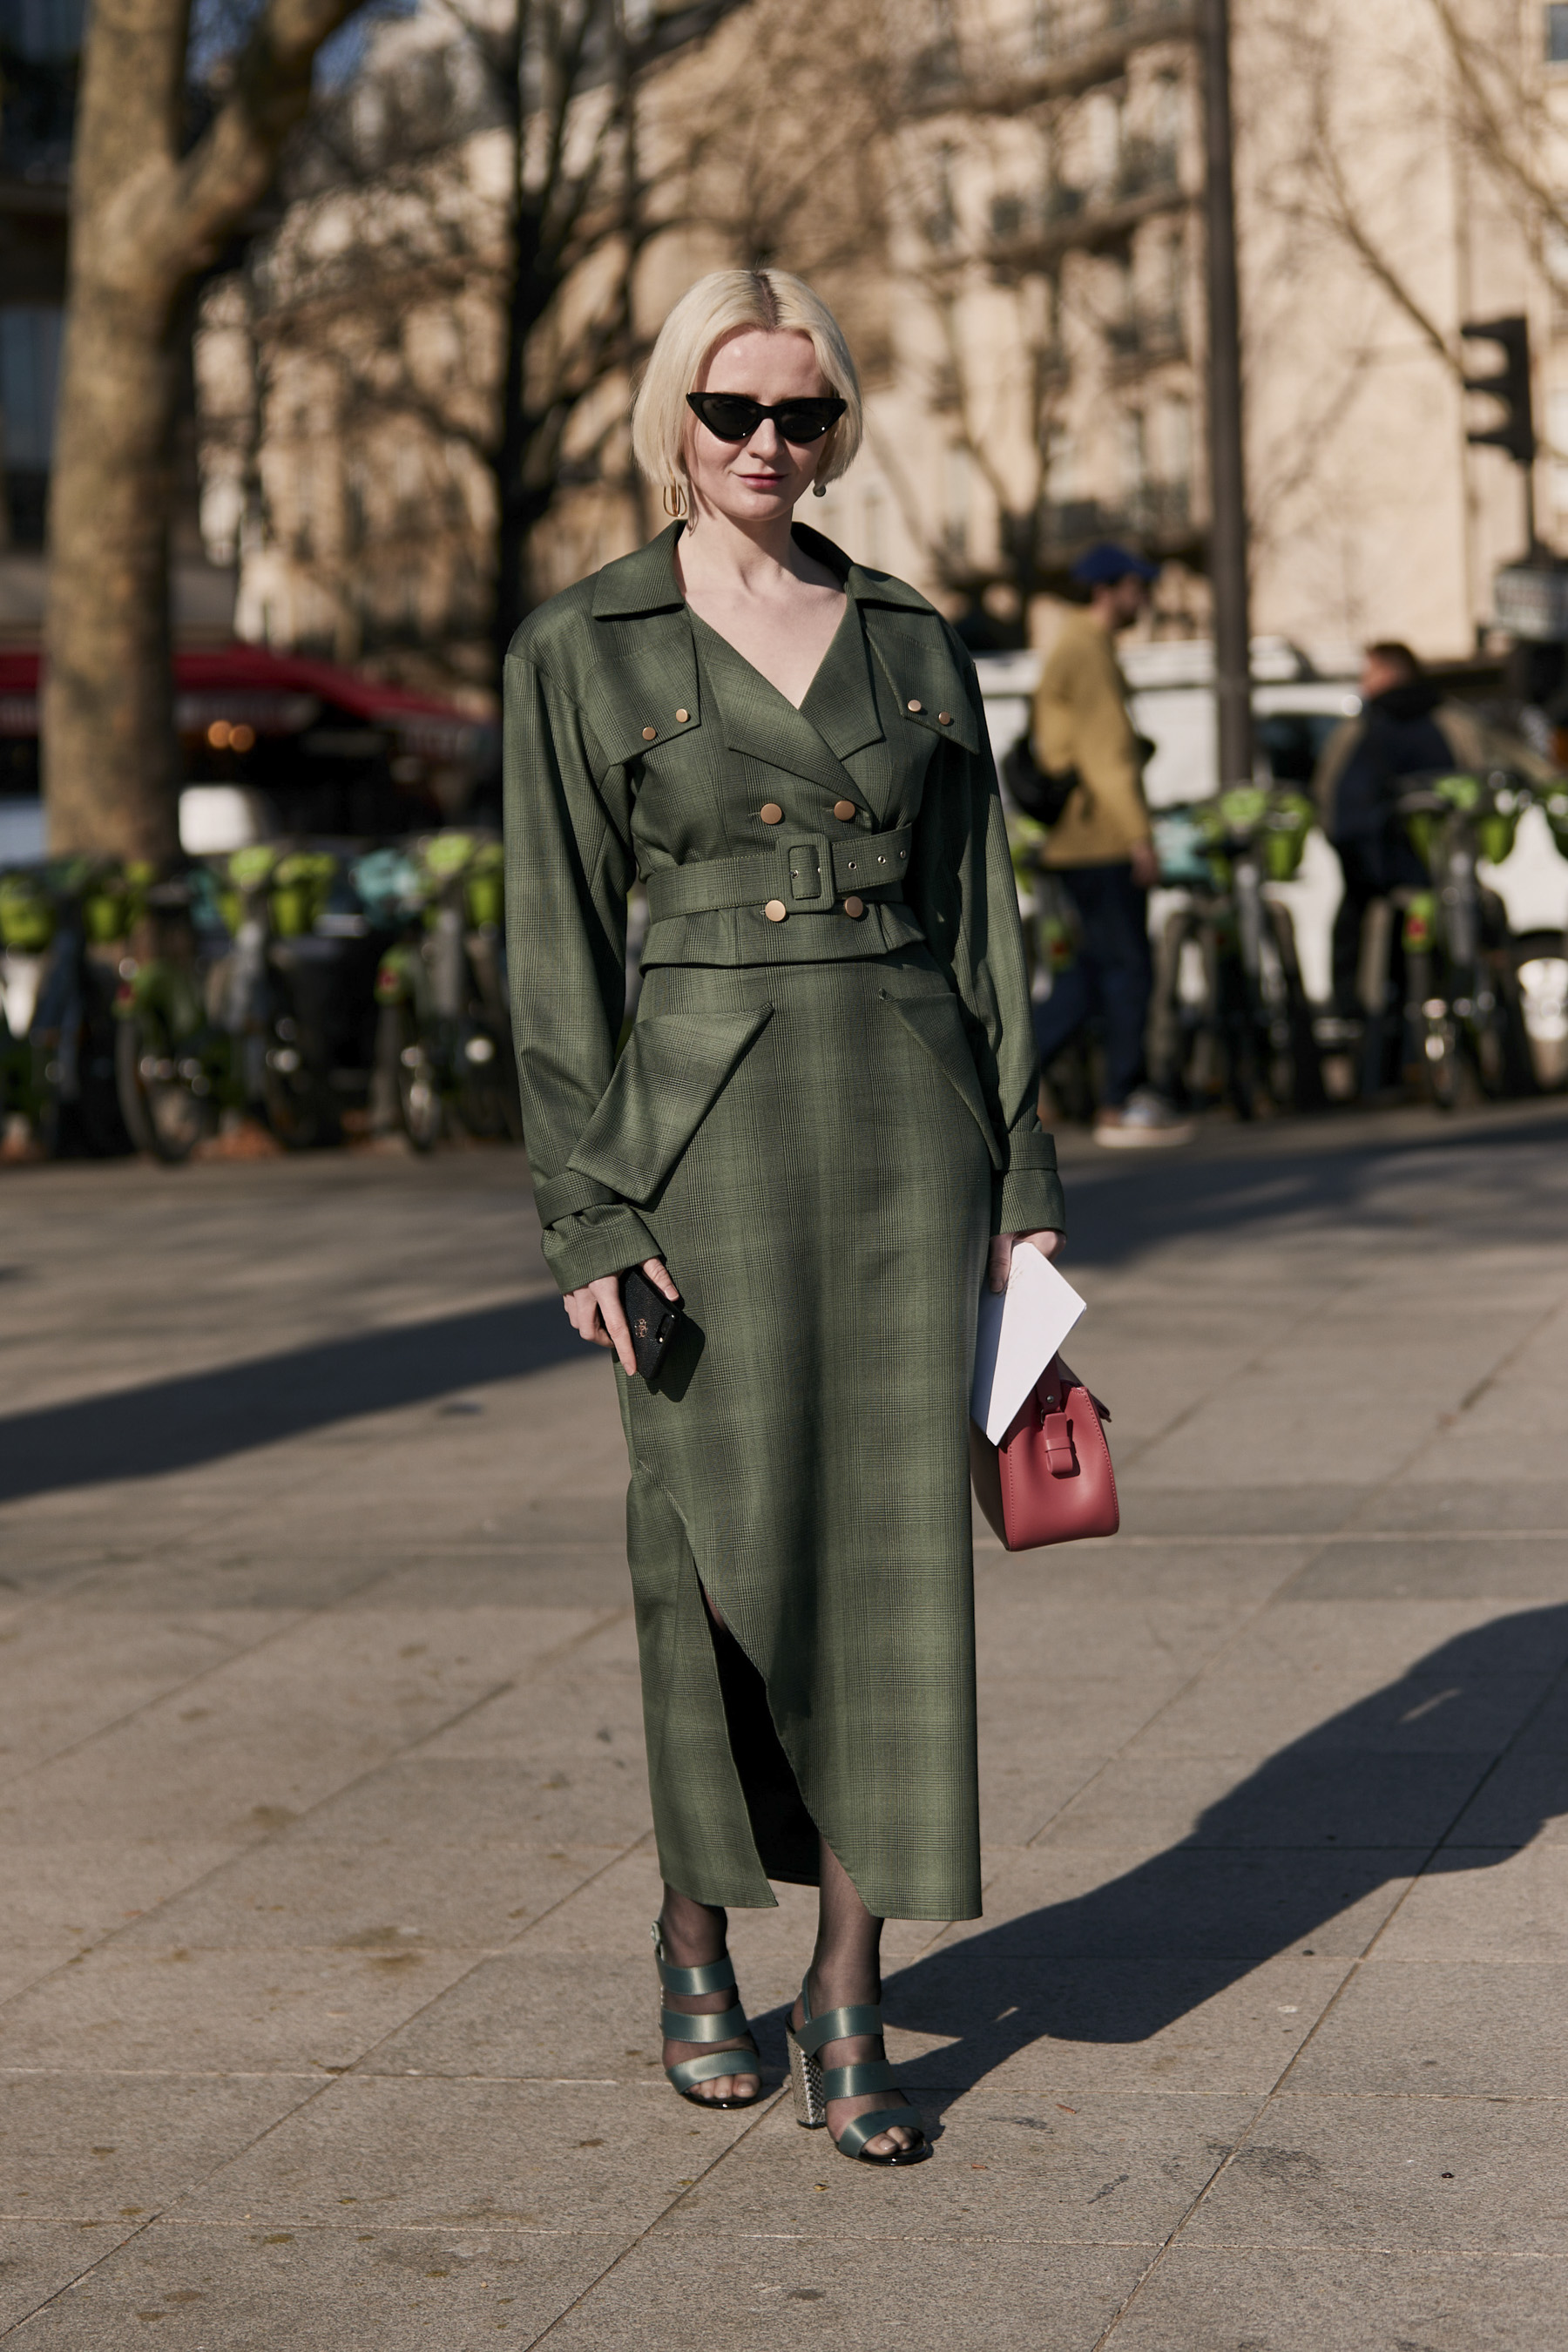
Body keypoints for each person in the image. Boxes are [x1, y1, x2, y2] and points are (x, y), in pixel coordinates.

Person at [504, 269, 1065, 2167]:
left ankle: (848, 1979)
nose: (766, 446)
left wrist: (1032, 1200)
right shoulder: (581, 646)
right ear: (674, 416)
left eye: (802, 417)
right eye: (733, 411)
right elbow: (556, 955)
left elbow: (987, 922)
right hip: (699, 1143)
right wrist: (589, 1217)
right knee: (709, 1564)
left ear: (837, 431)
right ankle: (693, 1919)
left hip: (912, 1126)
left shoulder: (912, 641)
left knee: (893, 1562)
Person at [1028, 543, 1192, 1146]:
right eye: (1138, 587)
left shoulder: (1080, 647)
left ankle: (1004, 1081)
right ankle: (1121, 1104)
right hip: (1100, 841)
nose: (1144, 599)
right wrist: (1139, 839)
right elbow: (1106, 758)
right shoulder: (1086, 650)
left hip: (1081, 840)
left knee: (1092, 975)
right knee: (1127, 971)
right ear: (1112, 589)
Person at [1313, 640, 1550, 1032]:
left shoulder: (1361, 731)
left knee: (1355, 937)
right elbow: (1510, 762)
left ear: (1387, 674)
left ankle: (1363, 1039)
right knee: (1478, 922)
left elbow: (1331, 802)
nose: (1362, 682)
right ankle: (1496, 1025)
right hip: (1447, 862)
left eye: (1367, 673)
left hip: (1382, 872)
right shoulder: (1454, 720)